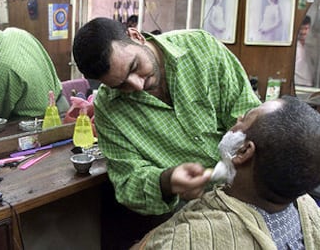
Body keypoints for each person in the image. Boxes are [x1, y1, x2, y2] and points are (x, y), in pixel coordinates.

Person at [72, 17, 261, 216]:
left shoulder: (201, 49)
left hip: (251, 188)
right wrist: (166, 182)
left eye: (134, 67)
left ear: (136, 36)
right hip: (193, 211)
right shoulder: (108, 108)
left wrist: (245, 139)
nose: (137, 85)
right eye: (121, 86)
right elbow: (128, 182)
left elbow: (249, 116)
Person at [133, 95, 320, 249]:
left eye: (245, 118)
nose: (237, 119)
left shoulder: (189, 241)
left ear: (244, 151)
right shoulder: (307, 205)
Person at [295, 15, 314, 87]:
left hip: (309, 85)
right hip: (297, 84)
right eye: (301, 29)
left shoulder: (310, 47)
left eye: (306, 28)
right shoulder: (294, 47)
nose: (303, 32)